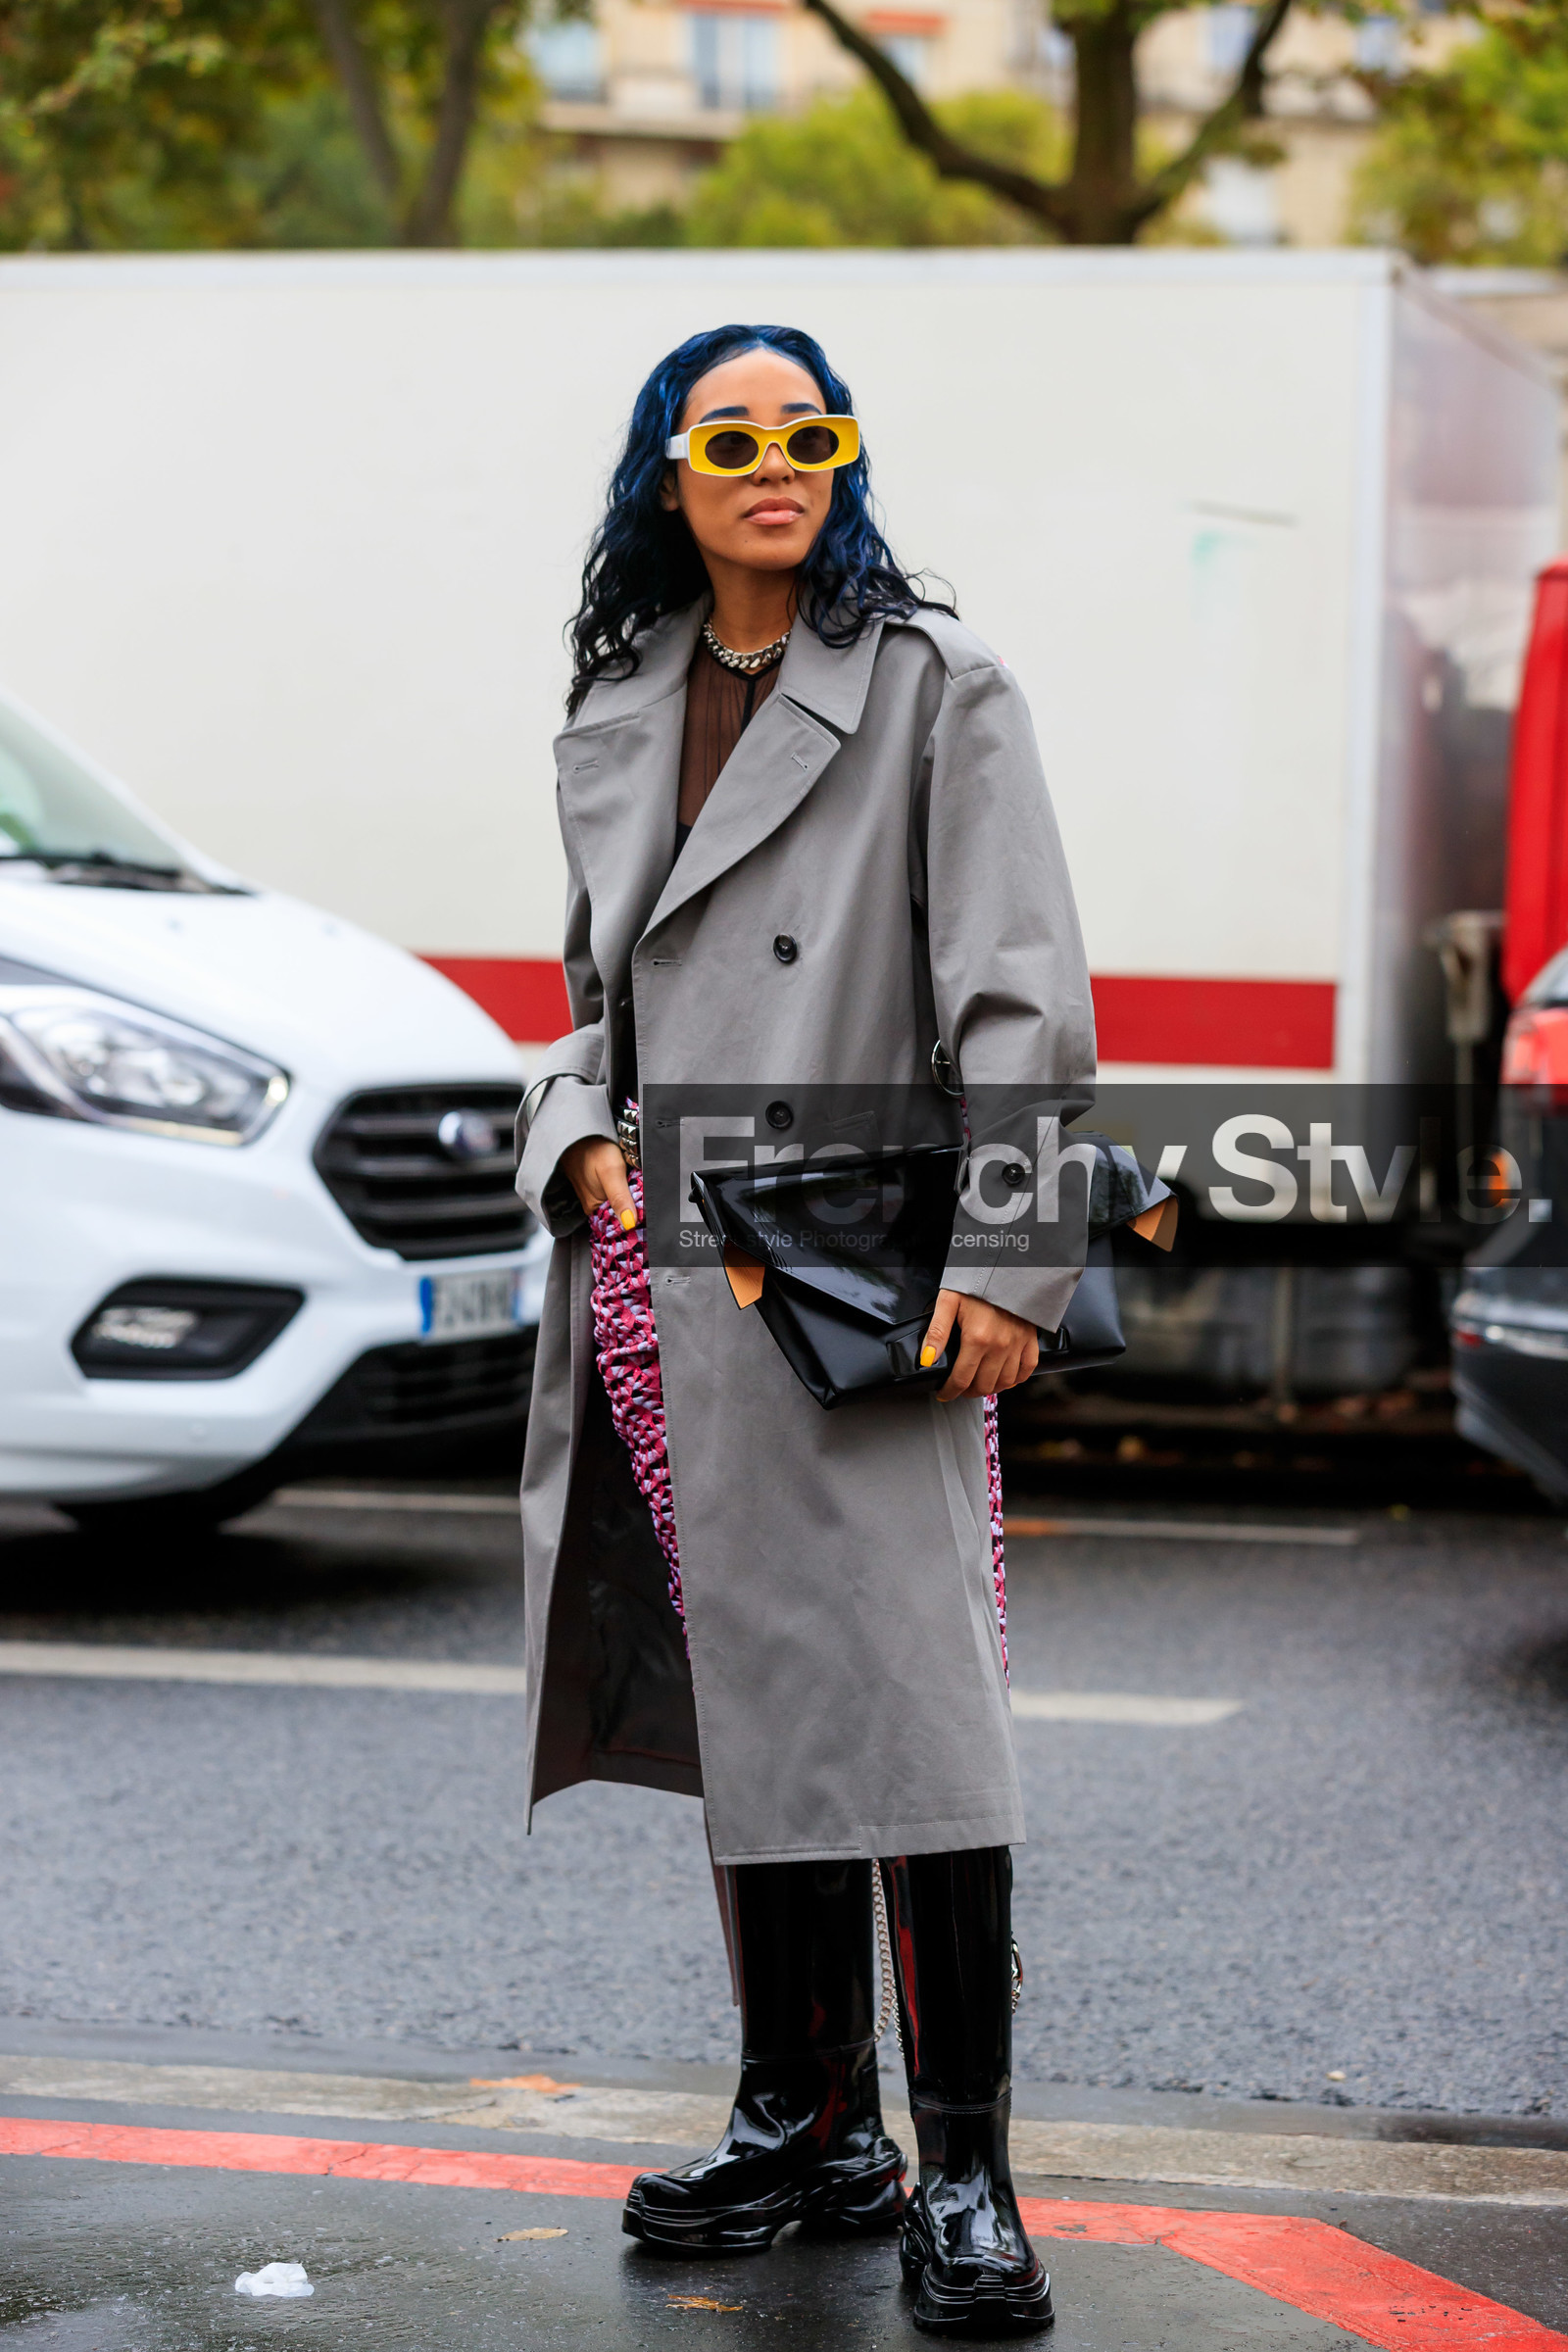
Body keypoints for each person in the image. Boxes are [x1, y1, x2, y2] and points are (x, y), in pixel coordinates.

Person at [515, 322, 1094, 2337]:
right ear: (666, 475)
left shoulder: (935, 688)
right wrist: (572, 1130)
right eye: (732, 434)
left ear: (843, 460)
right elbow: (594, 996)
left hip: (858, 1274)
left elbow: (1019, 998)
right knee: (751, 1703)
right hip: (667, 1271)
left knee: (913, 1723)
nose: (776, 462)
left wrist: (1009, 1264)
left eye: (809, 430)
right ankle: (804, 2121)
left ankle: (964, 2176)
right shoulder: (617, 700)